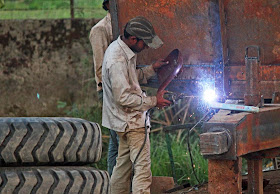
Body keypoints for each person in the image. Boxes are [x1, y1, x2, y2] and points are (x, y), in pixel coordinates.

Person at [102, 16, 171, 194]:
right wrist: (154, 101)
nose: (146, 46)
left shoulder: (121, 50)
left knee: (122, 167)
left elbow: (132, 79)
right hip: (131, 123)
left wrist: (151, 68)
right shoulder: (117, 60)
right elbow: (123, 98)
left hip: (121, 122)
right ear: (133, 39)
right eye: (145, 43)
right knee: (142, 171)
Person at [89, 0, 118, 177]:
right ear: (108, 5)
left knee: (117, 144)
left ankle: (115, 185)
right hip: (109, 91)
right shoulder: (100, 30)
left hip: (121, 88)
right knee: (120, 141)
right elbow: (101, 68)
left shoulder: (122, 27)